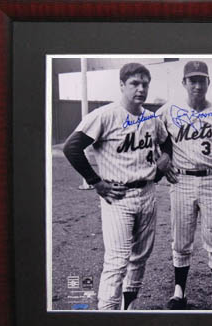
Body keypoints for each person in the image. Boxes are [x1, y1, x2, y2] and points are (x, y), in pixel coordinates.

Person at [63, 63, 172, 310]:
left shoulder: (152, 119)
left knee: (140, 257)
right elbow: (72, 147)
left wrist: (165, 157)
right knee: (117, 260)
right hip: (118, 196)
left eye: (145, 84)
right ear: (122, 85)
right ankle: (107, 315)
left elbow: (167, 143)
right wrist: (96, 182)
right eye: (134, 83)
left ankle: (128, 308)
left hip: (147, 192)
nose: (141, 89)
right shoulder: (105, 115)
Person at [156, 60, 212, 310]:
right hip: (181, 180)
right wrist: (165, 156)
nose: (198, 85)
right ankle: (179, 291)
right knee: (180, 239)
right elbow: (156, 140)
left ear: (208, 82)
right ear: (184, 82)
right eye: (193, 80)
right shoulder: (167, 111)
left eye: (202, 80)